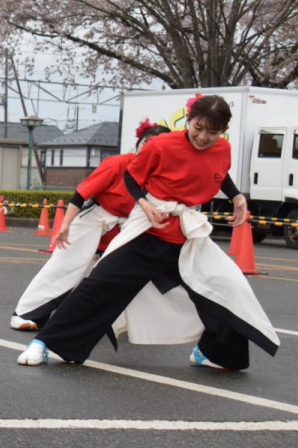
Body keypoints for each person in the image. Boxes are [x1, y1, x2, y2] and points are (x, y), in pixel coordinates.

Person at [18, 95, 279, 370]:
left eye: (212, 132)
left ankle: (213, 353)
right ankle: (44, 344)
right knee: (101, 285)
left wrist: (237, 197)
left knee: (227, 287)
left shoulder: (222, 148)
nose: (203, 136)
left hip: (188, 235)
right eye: (198, 127)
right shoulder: (162, 144)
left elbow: (220, 173)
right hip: (149, 230)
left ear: (223, 131)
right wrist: (145, 206)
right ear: (188, 121)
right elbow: (132, 176)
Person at [10, 120, 170, 331]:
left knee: (109, 279)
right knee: (64, 266)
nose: (149, 149)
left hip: (126, 230)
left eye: (157, 147)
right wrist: (65, 224)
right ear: (139, 143)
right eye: (146, 143)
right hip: (93, 222)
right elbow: (82, 193)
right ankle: (26, 313)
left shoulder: (160, 176)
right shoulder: (118, 163)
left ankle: (91, 322)